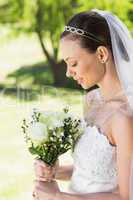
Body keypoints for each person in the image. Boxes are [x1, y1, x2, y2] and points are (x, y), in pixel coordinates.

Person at [32, 9, 133, 200]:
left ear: (102, 54)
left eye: (74, 63)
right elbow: (92, 173)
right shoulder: (91, 100)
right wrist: (54, 171)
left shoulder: (124, 118)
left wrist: (58, 197)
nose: (68, 73)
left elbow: (124, 196)